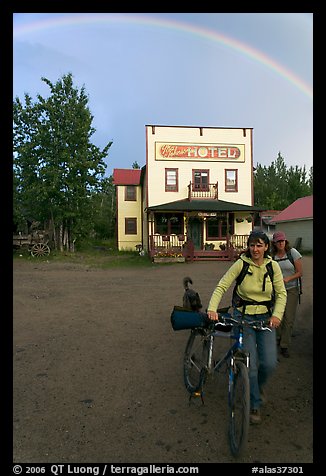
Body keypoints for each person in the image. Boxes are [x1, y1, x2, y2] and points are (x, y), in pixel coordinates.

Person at [207, 231, 287, 424]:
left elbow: (282, 293)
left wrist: (276, 315)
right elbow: (222, 286)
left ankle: (257, 388)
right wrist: (212, 308)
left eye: (259, 245)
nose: (255, 249)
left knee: (269, 363)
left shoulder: (273, 266)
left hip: (266, 319)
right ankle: (255, 405)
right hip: (243, 317)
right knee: (250, 365)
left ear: (267, 247)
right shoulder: (241, 263)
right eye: (252, 245)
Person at [270, 231, 303, 358]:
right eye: (278, 241)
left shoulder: (292, 253)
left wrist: (288, 279)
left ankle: (284, 345)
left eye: (282, 241)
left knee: (289, 318)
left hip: (292, 289)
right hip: (277, 290)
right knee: (278, 315)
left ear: (285, 241)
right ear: (274, 243)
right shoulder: (273, 256)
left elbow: (300, 272)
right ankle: (278, 337)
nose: (281, 243)